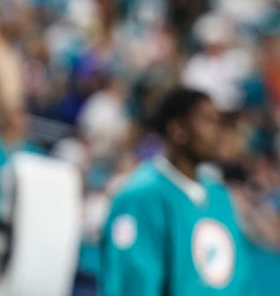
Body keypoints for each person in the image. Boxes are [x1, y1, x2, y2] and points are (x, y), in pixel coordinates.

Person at [101, 87, 251, 295]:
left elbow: (237, 281)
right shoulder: (141, 197)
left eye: (219, 122)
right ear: (177, 128)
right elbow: (135, 283)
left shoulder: (220, 197)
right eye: (208, 120)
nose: (219, 131)